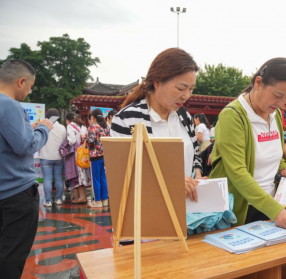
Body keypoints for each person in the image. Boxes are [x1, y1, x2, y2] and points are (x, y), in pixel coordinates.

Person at [209, 58, 286, 230]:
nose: (281, 103)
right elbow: (237, 172)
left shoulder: (276, 114)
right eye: (277, 96)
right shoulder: (233, 116)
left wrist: (283, 167)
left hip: (269, 204)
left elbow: (271, 150)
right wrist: (274, 210)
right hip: (239, 210)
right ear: (258, 83)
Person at [111, 48, 203, 202]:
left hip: (186, 210)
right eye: (181, 88)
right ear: (157, 82)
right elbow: (119, 173)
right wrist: (172, 181)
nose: (186, 96)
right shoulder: (128, 118)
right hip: (147, 209)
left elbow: (194, 153)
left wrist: (198, 174)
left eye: (191, 89)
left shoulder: (184, 116)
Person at [0, 59, 53, 279]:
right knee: (11, 256)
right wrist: (43, 128)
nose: (28, 93)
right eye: (30, 87)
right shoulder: (8, 104)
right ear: (21, 81)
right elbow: (26, 146)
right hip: (16, 194)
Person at [39, 108, 66, 206]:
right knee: (59, 179)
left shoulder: (43, 126)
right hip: (58, 157)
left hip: (45, 156)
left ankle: (48, 201)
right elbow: (64, 142)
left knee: (47, 179)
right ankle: (58, 199)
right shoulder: (62, 128)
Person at [65, 112, 92, 203]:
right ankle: (80, 197)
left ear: (67, 120)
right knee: (83, 174)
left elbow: (71, 140)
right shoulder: (83, 126)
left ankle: (81, 197)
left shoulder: (70, 126)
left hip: (76, 154)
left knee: (77, 175)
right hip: (84, 153)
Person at [86, 108, 110, 208]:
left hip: (95, 155)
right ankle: (105, 200)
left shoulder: (93, 127)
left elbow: (91, 141)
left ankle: (97, 201)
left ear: (93, 117)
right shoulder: (105, 127)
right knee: (103, 178)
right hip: (104, 155)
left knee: (95, 179)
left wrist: (85, 139)